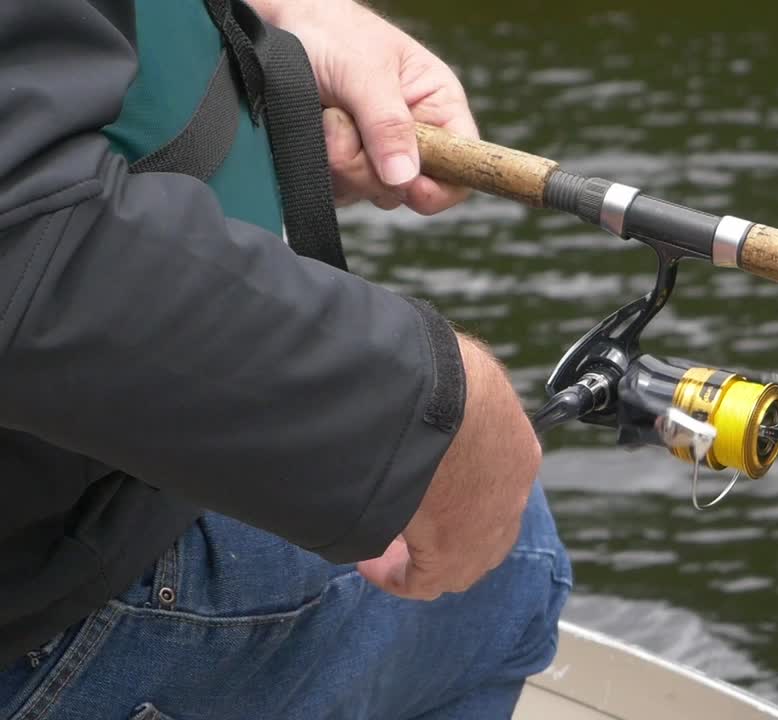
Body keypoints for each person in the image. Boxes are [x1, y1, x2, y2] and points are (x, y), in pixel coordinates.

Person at [0, 0, 570, 718]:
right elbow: (22, 238)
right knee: (514, 565)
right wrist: (427, 411)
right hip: (46, 572)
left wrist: (274, 22)